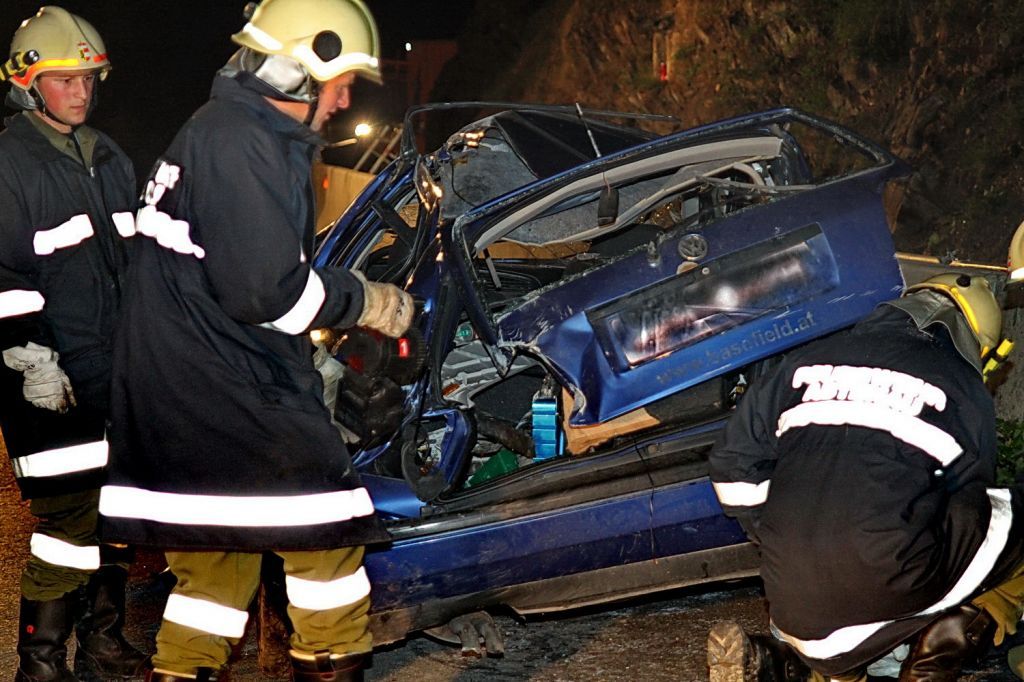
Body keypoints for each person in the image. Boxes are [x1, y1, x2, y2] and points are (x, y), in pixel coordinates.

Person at [96, 0, 411, 680]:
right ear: (294, 72)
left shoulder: (219, 131)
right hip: (228, 391)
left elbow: (225, 279)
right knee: (327, 548)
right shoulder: (246, 144)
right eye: (339, 83)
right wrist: (365, 300)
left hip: (178, 390)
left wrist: (309, 353)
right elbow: (265, 291)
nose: (344, 99)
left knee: (213, 575)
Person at [706, 273, 1024, 681]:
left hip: (789, 596)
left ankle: (773, 661)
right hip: (887, 580)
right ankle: (937, 654)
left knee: (838, 641)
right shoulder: (963, 388)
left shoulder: (806, 361)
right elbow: (969, 501)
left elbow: (732, 467)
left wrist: (785, 533)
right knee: (1004, 521)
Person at [0, 7, 150, 681]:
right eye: (64, 79)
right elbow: (2, 277)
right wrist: (28, 355)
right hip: (48, 377)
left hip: (117, 371)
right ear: (28, 85)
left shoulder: (110, 157)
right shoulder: (9, 163)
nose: (81, 91)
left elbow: (141, 263)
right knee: (67, 525)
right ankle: (40, 663)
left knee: (118, 514)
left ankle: (102, 643)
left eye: (89, 78)